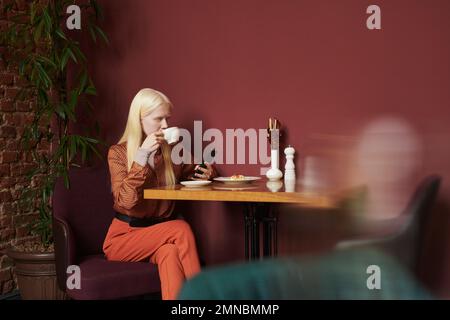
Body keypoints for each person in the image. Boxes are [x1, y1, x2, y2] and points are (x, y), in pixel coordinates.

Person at [103, 88, 217, 300]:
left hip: (160, 237)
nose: (165, 125)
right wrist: (142, 156)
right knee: (180, 229)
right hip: (123, 238)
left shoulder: (170, 152)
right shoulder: (117, 153)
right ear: (140, 119)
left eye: (167, 118)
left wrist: (208, 171)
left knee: (170, 253)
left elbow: (198, 167)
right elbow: (126, 201)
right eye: (159, 119)